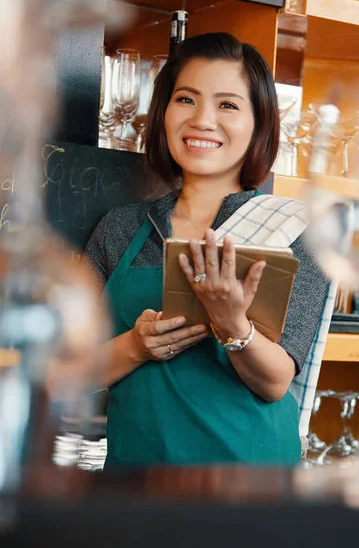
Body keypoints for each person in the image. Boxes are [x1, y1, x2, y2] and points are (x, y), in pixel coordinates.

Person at [85, 32, 329, 468]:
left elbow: (275, 383)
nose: (202, 119)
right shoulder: (121, 228)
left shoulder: (297, 232)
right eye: (186, 99)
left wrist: (234, 324)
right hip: (133, 494)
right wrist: (136, 347)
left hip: (248, 497)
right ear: (163, 112)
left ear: (260, 123)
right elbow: (67, 372)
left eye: (228, 105)